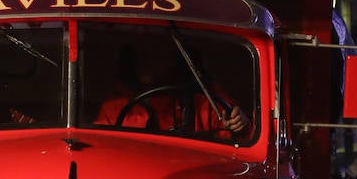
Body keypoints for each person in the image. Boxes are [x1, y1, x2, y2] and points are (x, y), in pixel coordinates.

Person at [94, 40, 251, 141]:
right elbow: (101, 144)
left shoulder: (205, 98)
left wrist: (240, 125)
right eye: (142, 53)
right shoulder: (115, 104)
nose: (148, 59)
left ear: (173, 57)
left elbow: (241, 137)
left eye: (156, 52)